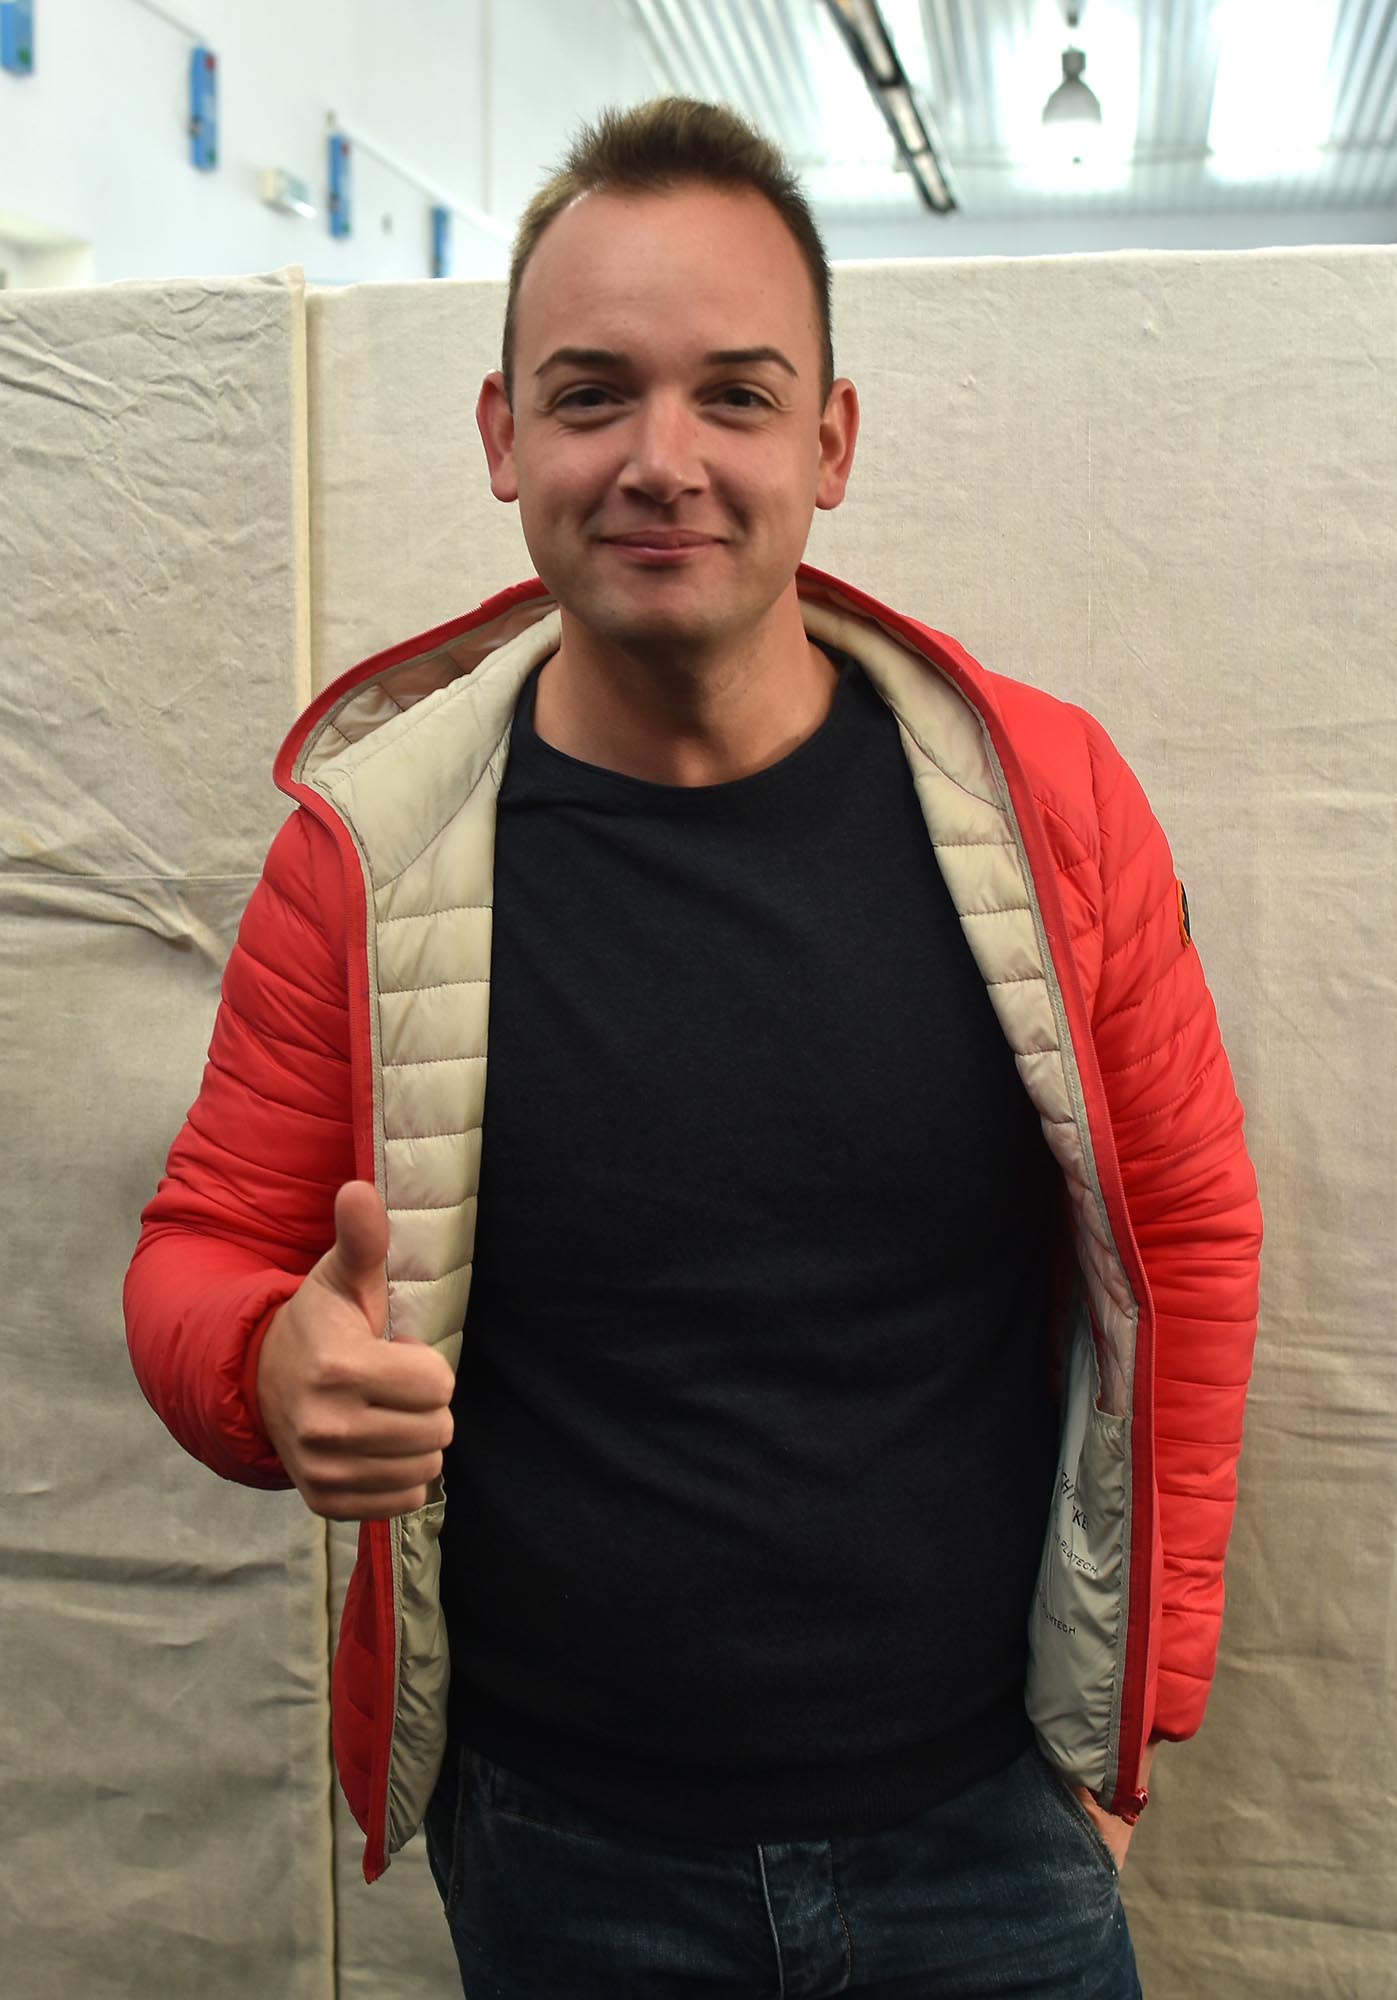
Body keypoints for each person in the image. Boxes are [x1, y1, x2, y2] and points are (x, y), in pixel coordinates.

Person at [125, 95, 1262, 1999]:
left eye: (735, 395)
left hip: (989, 1837)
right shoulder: (369, 854)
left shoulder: (1044, 808)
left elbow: (1189, 1239)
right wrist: (264, 1361)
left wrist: (1133, 1716)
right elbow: (198, 1248)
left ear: (830, 441)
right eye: (591, 396)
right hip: (566, 1862)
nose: (663, 461)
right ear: (502, 436)